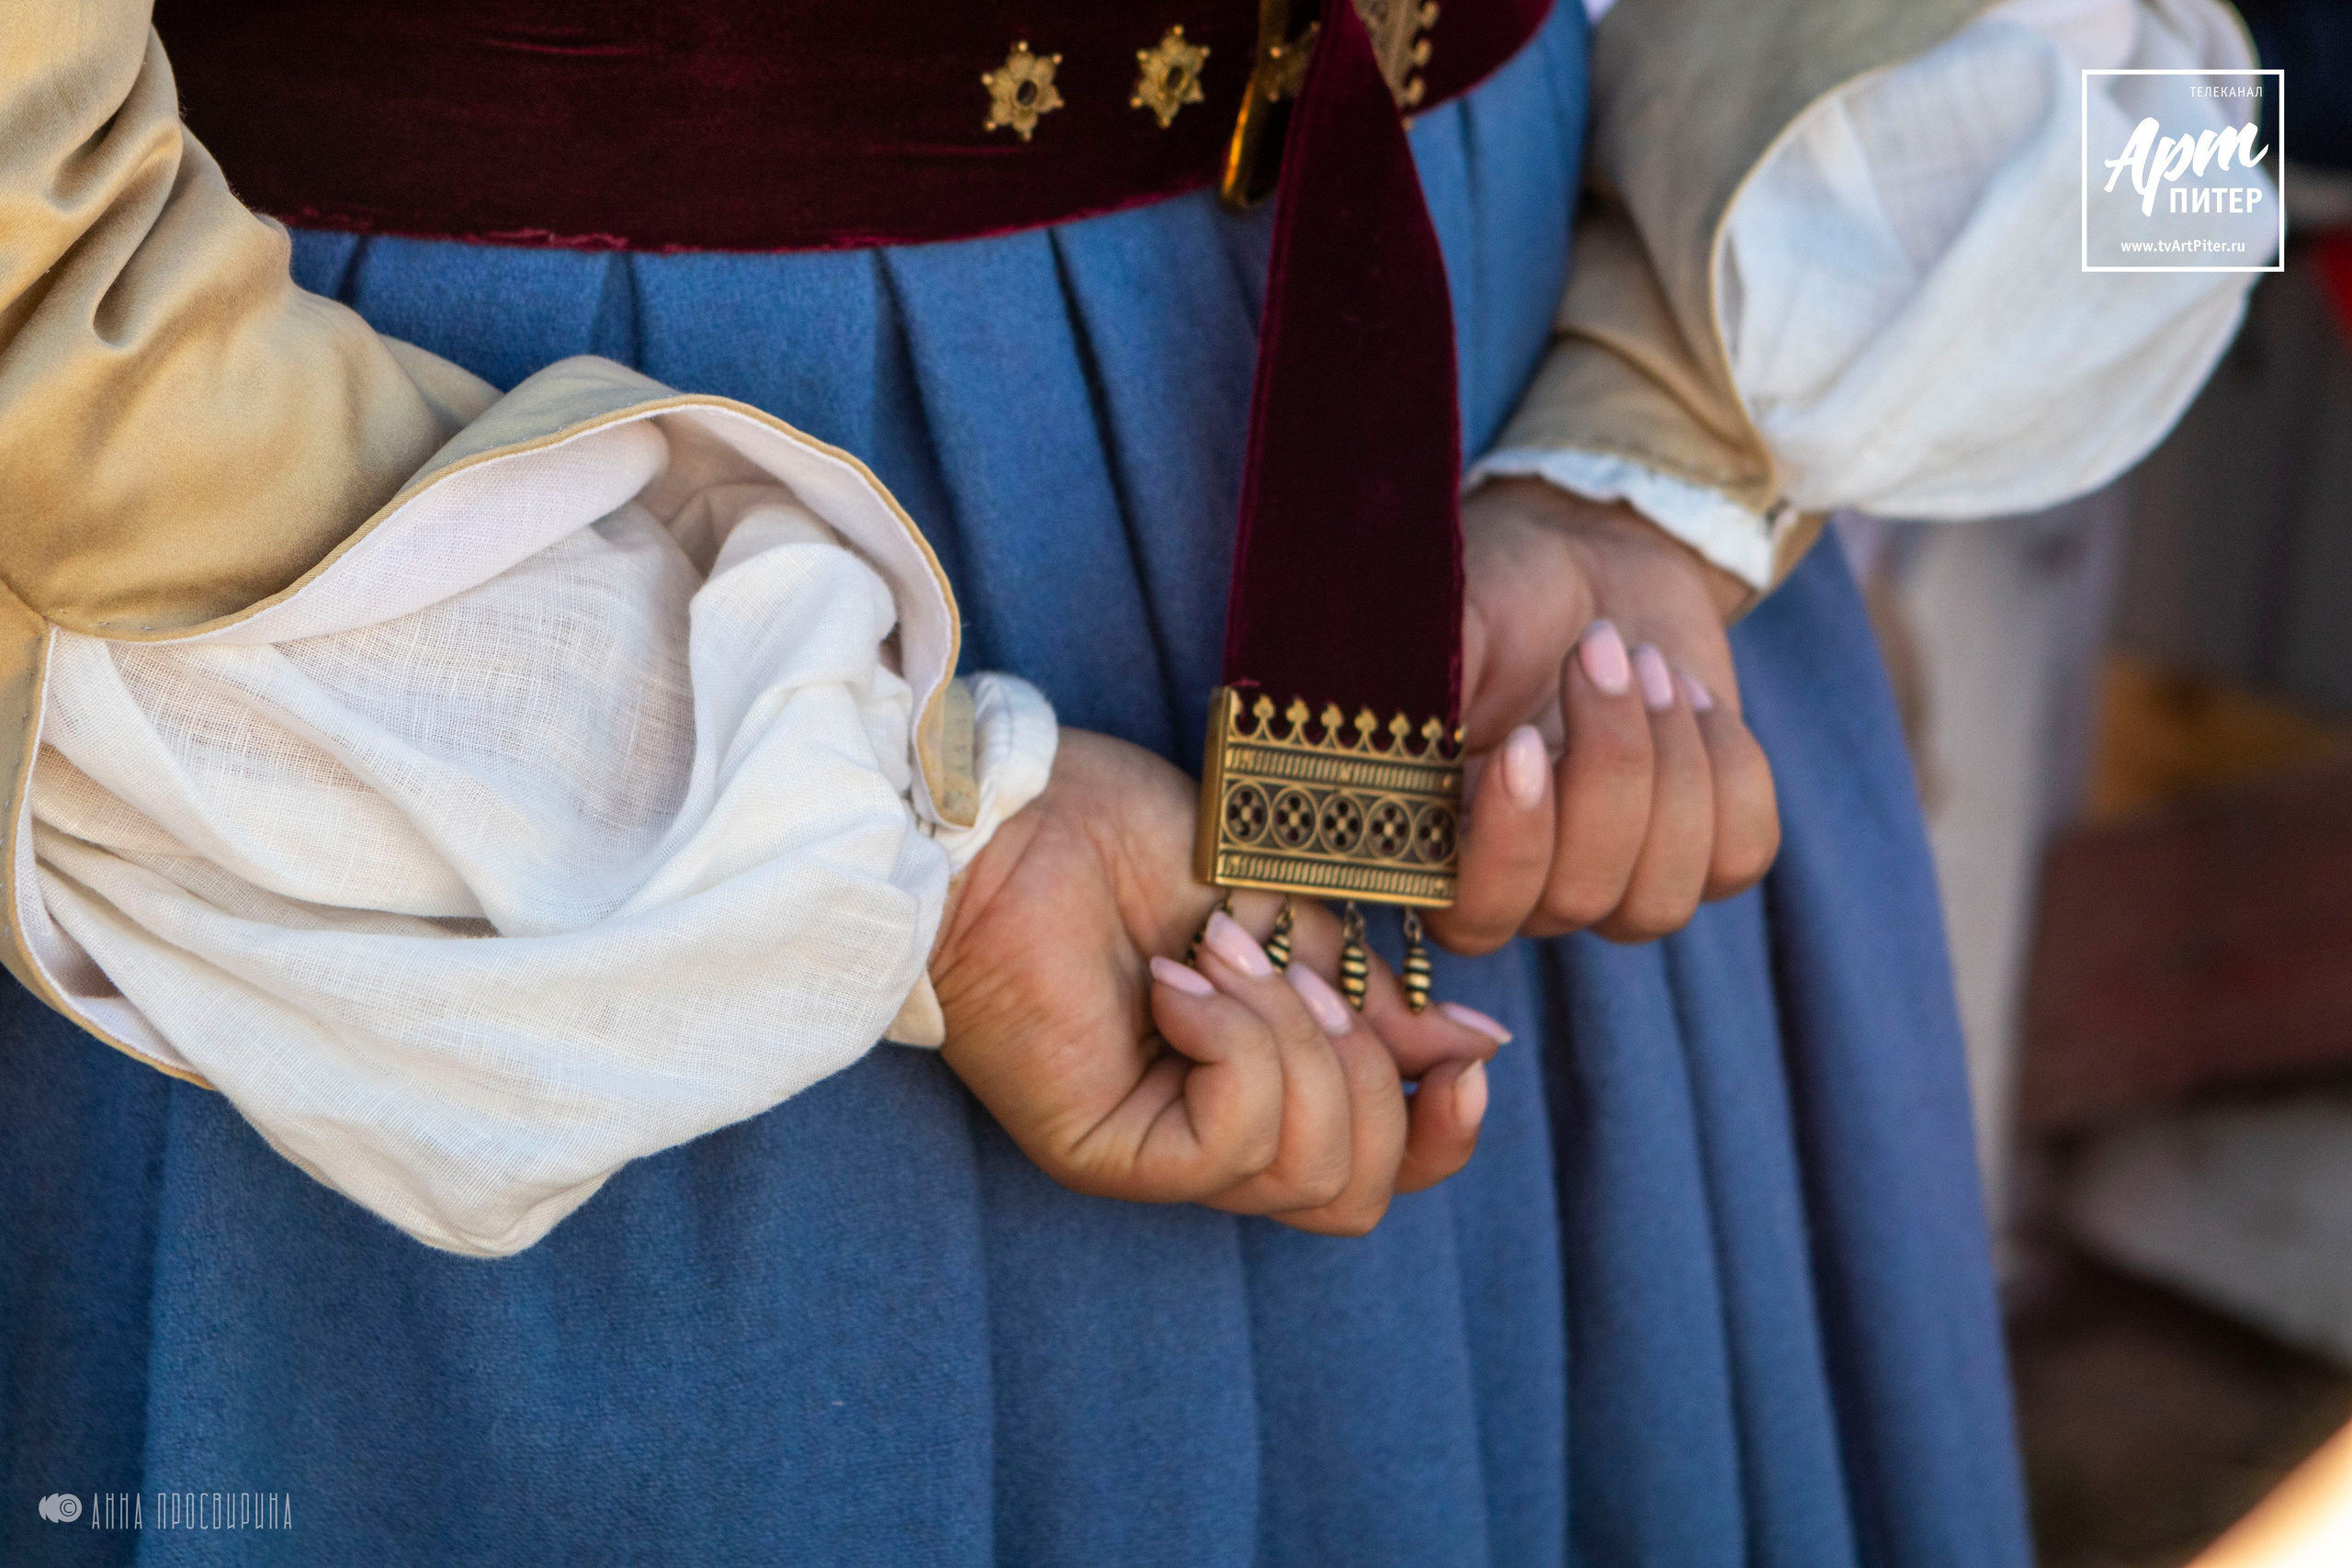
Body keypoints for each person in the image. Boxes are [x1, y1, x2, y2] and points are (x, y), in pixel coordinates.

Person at [0, 0, 2268, 1560]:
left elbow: (2201, 148)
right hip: (476, 592)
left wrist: (1669, 461)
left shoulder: (1675, 465)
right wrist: (877, 833)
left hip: (1536, 504)